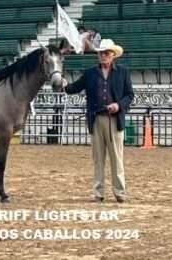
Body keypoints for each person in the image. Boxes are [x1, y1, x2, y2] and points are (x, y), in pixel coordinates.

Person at [62, 39, 134, 203]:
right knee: (98, 159)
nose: (104, 55)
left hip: (114, 120)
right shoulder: (90, 73)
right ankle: (98, 192)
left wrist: (118, 105)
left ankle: (119, 192)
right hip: (96, 119)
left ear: (113, 55)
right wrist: (65, 84)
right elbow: (74, 88)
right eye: (101, 53)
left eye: (107, 53)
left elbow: (129, 95)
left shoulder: (123, 72)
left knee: (117, 158)